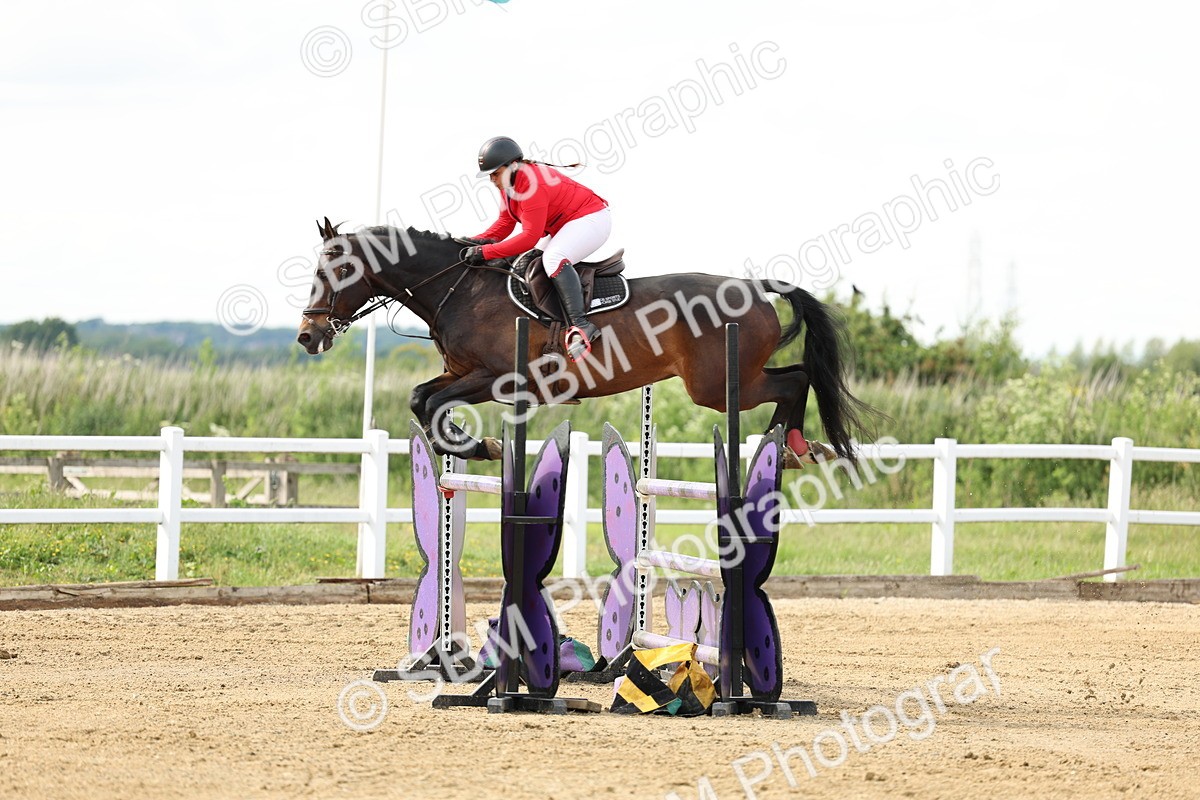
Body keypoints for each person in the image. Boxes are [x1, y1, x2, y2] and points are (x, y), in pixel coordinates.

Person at [462, 136, 612, 362]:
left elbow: (529, 238)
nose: (492, 179)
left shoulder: (533, 184)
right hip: (565, 225)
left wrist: (484, 252)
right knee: (527, 263)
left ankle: (582, 325)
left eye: (495, 173)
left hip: (591, 219)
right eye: (490, 175)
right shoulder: (509, 183)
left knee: (553, 258)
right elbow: (505, 224)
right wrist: (473, 242)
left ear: (512, 165)